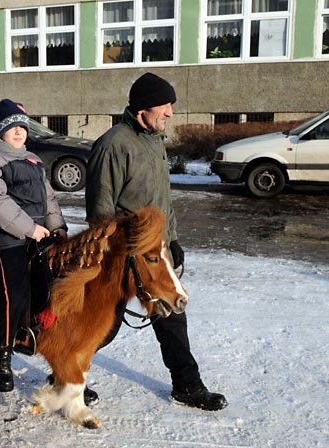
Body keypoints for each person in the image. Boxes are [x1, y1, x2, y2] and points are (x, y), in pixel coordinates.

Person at [85, 73, 227, 411]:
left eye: (170, 105)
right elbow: (100, 212)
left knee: (172, 315)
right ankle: (66, 373)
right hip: (124, 254)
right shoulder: (112, 146)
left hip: (155, 251)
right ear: (141, 110)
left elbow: (163, 200)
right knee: (106, 325)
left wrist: (172, 239)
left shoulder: (154, 141)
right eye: (164, 105)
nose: (170, 112)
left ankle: (187, 385)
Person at [0, 99, 67, 392]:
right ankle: (2, 354)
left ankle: (42, 341)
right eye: (12, 127)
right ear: (0, 132)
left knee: (54, 285)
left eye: (23, 126)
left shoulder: (33, 160)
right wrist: (29, 229)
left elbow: (48, 199)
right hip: (5, 238)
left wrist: (56, 227)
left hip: (37, 235)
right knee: (14, 291)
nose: (19, 132)